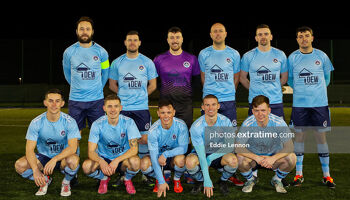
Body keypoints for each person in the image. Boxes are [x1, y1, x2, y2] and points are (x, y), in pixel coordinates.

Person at [287, 26, 335, 188]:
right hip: (300, 106)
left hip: (319, 105)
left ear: (312, 38)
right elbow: (290, 80)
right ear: (297, 39)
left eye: (307, 36)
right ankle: (299, 174)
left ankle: (327, 176)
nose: (304, 39)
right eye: (300, 36)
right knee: (299, 138)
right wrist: (302, 92)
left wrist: (316, 93)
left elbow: (327, 78)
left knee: (321, 138)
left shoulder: (322, 56)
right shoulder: (292, 57)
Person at [109, 30, 158, 185]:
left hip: (141, 109)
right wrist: (124, 98)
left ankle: (145, 173)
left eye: (135, 40)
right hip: (123, 109)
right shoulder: (117, 62)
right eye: (129, 40)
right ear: (125, 42)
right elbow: (112, 84)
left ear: (139, 42)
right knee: (123, 141)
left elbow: (153, 85)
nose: (132, 42)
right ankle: (123, 173)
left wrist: (142, 96)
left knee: (144, 140)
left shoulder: (147, 62)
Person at [198, 22, 243, 186]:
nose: (218, 34)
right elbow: (203, 77)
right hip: (209, 101)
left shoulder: (234, 53)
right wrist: (210, 96)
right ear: (210, 34)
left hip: (228, 100)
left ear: (225, 34)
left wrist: (229, 92)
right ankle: (206, 167)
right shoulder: (204, 53)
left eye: (220, 31)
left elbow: (236, 77)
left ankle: (229, 171)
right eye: (214, 31)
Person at [14, 89, 81, 197]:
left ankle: (66, 182)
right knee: (20, 165)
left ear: (62, 103)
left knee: (73, 160)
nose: (54, 104)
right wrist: (36, 170)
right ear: (45, 103)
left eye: (57, 101)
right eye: (50, 101)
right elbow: (29, 150)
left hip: (63, 157)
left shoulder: (70, 122)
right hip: (44, 157)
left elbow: (73, 148)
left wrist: (55, 159)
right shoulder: (36, 122)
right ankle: (45, 180)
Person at [81, 94, 141, 195]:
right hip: (104, 158)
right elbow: (91, 151)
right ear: (104, 108)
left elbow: (134, 149)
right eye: (109, 106)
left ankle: (127, 179)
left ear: (120, 108)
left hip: (122, 159)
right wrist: (101, 161)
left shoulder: (129, 122)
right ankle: (104, 178)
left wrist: (117, 160)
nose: (113, 109)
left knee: (135, 162)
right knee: (86, 167)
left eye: (116, 106)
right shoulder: (97, 124)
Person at [236, 95, 296, 193]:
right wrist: (257, 158)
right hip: (254, 160)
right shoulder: (248, 123)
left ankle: (277, 179)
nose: (260, 114)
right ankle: (251, 180)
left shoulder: (278, 123)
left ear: (269, 110)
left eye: (263, 110)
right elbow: (238, 147)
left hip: (273, 159)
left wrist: (273, 158)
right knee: (239, 157)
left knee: (292, 158)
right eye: (256, 110)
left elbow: (289, 146)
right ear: (252, 111)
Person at [185, 94, 239, 197]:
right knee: (190, 162)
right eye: (207, 105)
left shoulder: (225, 121)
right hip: (203, 154)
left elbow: (229, 146)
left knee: (233, 161)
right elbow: (201, 156)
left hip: (219, 154)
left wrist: (211, 158)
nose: (210, 108)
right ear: (202, 107)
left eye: (213, 104)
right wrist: (207, 180)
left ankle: (223, 181)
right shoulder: (196, 127)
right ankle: (200, 180)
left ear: (218, 106)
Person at [63, 16, 110, 132]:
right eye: (81, 29)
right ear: (77, 31)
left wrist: (98, 87)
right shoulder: (68, 52)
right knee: (74, 136)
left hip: (96, 101)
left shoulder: (102, 52)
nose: (85, 32)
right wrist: (77, 86)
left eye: (87, 29)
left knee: (99, 135)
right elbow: (67, 74)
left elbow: (106, 72)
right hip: (76, 100)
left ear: (92, 31)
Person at [153, 26, 201, 129]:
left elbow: (196, 80)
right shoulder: (159, 59)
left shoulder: (192, 59)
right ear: (167, 40)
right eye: (172, 37)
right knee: (166, 134)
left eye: (177, 37)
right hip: (166, 104)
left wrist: (187, 93)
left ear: (182, 39)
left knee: (185, 134)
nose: (175, 40)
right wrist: (164, 91)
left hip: (185, 105)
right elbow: (155, 81)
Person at [140, 99, 189, 197]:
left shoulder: (181, 125)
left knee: (182, 160)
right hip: (158, 159)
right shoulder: (153, 131)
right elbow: (154, 159)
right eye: (163, 113)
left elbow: (183, 149)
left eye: (169, 112)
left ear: (174, 112)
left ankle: (176, 179)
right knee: (144, 165)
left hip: (173, 157)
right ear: (158, 113)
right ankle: (160, 178)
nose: (166, 116)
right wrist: (161, 182)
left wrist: (166, 154)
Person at [240, 24, 288, 118]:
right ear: (256, 38)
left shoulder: (280, 54)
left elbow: (284, 77)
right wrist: (254, 89)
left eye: (266, 34)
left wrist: (275, 88)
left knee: (277, 132)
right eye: (260, 34)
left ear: (271, 37)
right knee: (256, 132)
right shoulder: (248, 56)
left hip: (275, 101)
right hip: (256, 102)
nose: (263, 37)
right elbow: (242, 78)